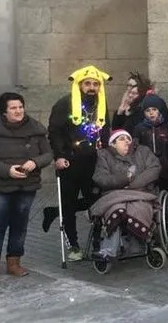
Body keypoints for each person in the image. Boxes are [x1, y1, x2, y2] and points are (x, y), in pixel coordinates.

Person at [0, 92, 52, 282]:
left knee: (20, 225)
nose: (18, 111)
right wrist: (7, 170)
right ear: (4, 111)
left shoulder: (35, 129)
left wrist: (35, 162)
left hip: (27, 185)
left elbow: (48, 153)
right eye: (13, 108)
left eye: (20, 107)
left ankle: (14, 262)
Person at [44, 65, 113, 261]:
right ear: (80, 85)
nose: (92, 87)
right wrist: (59, 155)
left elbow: (105, 130)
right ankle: (73, 245)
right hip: (70, 162)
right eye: (88, 84)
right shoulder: (64, 103)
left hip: (94, 162)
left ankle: (99, 241)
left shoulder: (101, 104)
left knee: (97, 202)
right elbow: (54, 131)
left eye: (95, 84)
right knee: (69, 204)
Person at [90, 129, 161, 261]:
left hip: (141, 193)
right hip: (115, 195)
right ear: (113, 144)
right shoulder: (104, 155)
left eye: (128, 138)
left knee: (138, 208)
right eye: (122, 139)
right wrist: (124, 179)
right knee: (117, 210)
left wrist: (134, 184)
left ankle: (137, 244)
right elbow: (100, 178)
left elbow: (155, 168)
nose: (127, 142)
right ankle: (109, 250)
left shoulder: (142, 151)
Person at [129, 94, 168, 193]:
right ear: (144, 113)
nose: (151, 113)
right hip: (146, 170)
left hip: (165, 170)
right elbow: (134, 148)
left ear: (159, 111)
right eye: (148, 110)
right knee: (147, 193)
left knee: (164, 191)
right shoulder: (139, 129)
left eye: (154, 109)